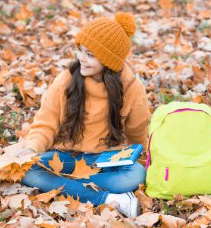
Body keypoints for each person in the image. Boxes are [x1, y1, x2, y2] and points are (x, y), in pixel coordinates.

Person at [20, 12, 150, 218]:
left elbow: (138, 131)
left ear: (109, 60)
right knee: (27, 170)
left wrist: (144, 157)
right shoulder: (67, 80)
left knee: (136, 174)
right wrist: (31, 148)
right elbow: (46, 123)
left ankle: (68, 188)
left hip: (106, 160)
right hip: (66, 158)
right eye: (80, 50)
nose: (81, 58)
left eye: (90, 54)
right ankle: (109, 200)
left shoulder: (131, 87)